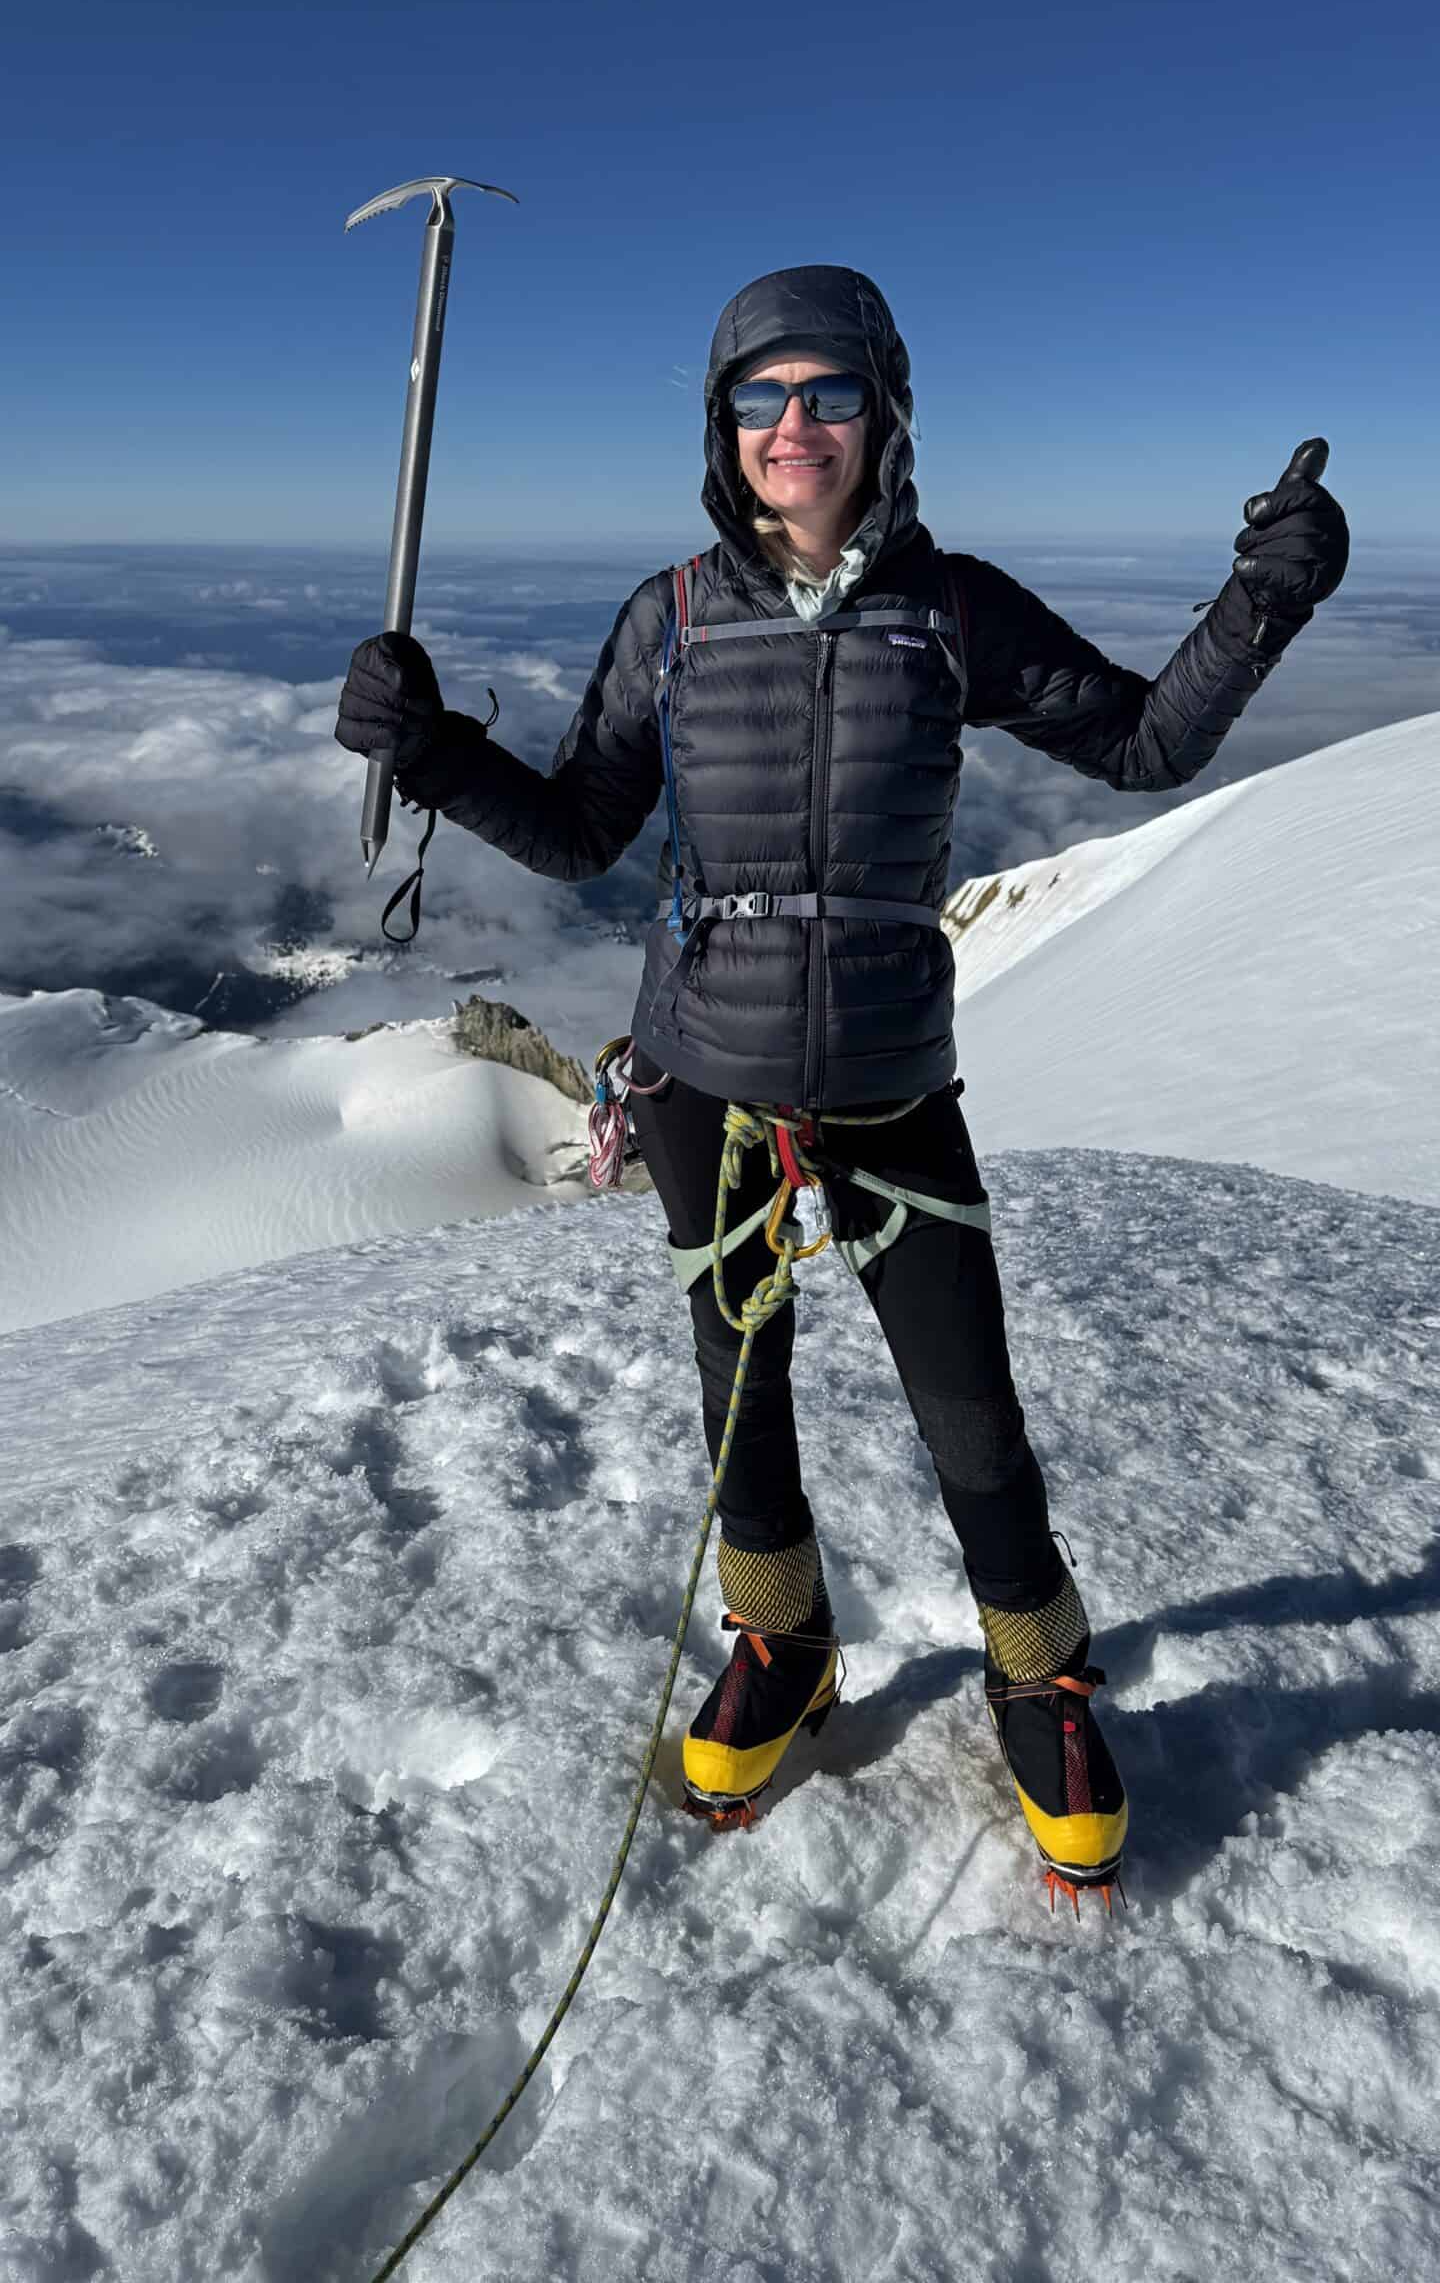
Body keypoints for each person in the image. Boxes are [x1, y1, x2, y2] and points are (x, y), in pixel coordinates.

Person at [336, 265, 1349, 1903]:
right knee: (739, 1394)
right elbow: (587, 833)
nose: (792, 425)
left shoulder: (953, 610)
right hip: (695, 1067)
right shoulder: (667, 618)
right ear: (722, 430)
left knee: (970, 1410)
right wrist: (430, 749)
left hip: (888, 1072)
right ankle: (786, 1644)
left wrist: (1265, 602)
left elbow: (1149, 746)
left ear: (884, 416)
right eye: (759, 396)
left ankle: (1040, 1677)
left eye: (827, 392)